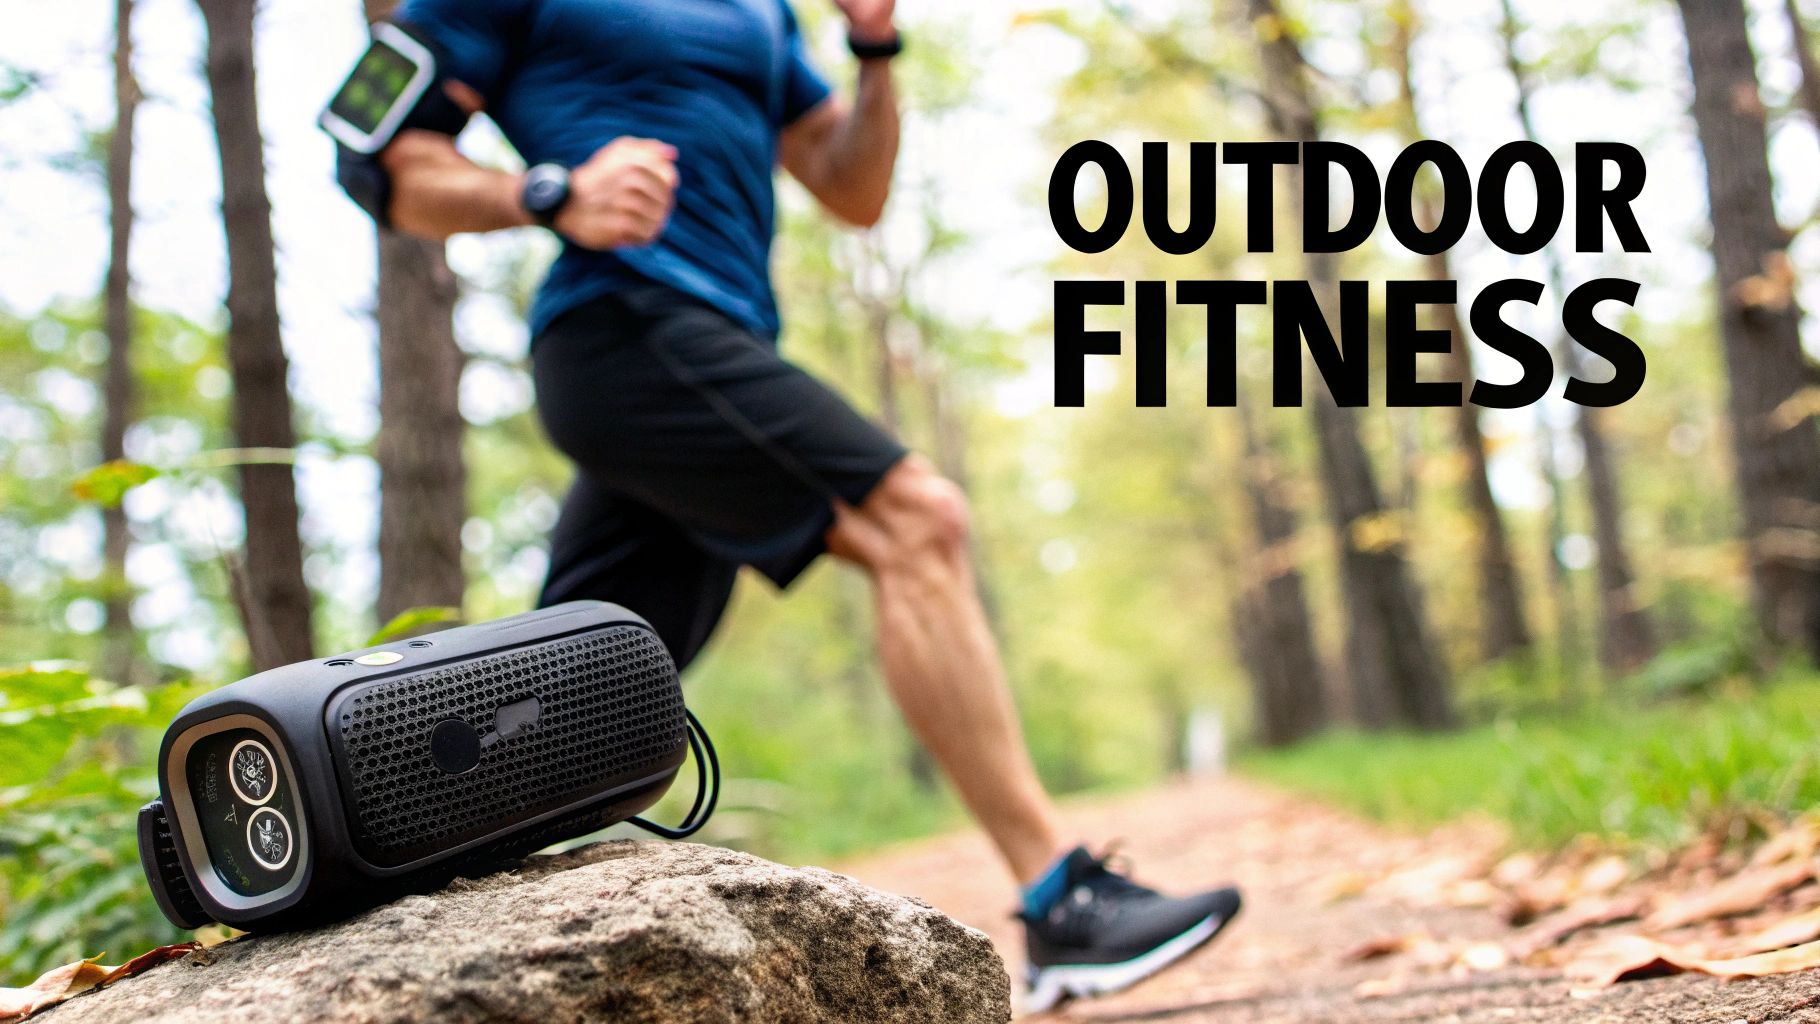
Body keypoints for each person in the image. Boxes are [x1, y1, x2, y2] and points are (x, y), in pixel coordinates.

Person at [371, 0, 1239, 1007]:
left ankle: (372, 851)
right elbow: (386, 164)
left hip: (709, 344)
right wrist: (550, 189)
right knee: (915, 519)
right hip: (626, 325)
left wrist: (873, 45)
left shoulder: (760, 10)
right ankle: (1061, 898)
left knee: (581, 696)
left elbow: (850, 186)